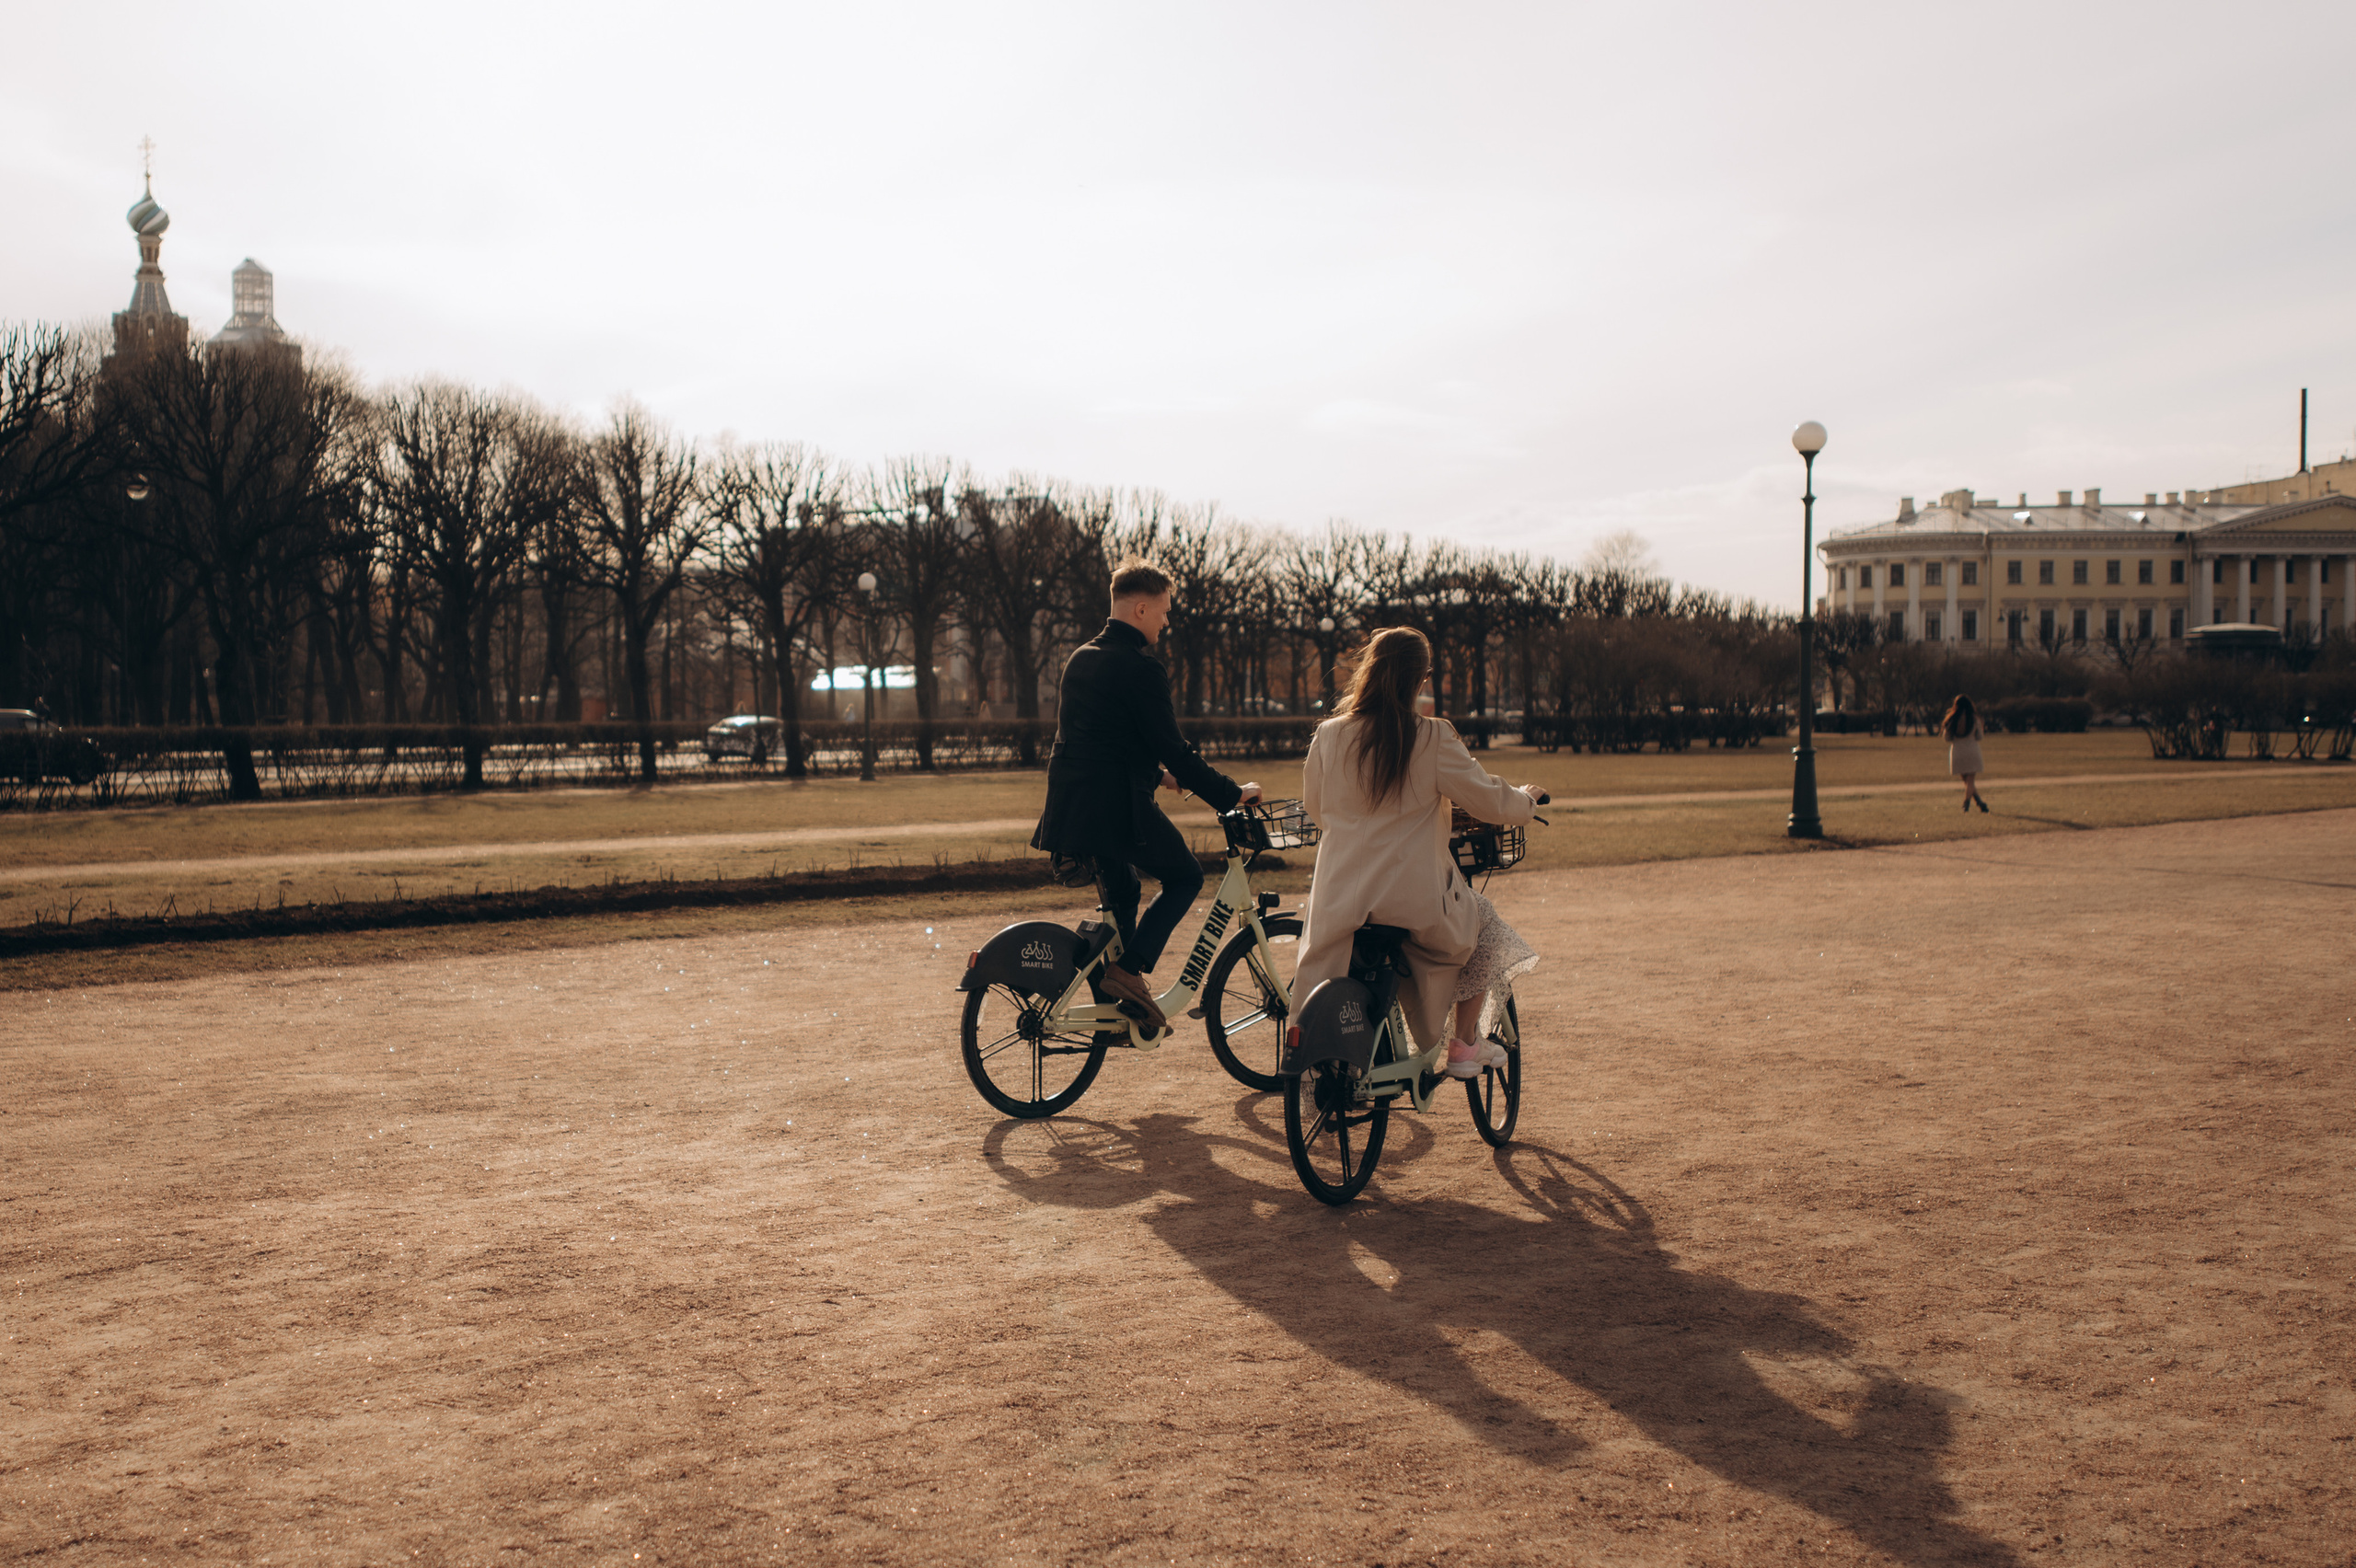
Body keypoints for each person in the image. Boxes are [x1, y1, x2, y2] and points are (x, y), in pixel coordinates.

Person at [1295, 628, 1545, 1078]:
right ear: (1421, 680)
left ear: (1368, 670)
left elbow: (1317, 809)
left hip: (1339, 902)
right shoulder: (1430, 737)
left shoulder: (1329, 735)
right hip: (1416, 905)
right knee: (1485, 923)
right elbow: (1487, 798)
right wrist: (1526, 800)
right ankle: (1466, 1044)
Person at [1031, 559, 1261, 1033]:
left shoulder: (1081, 658)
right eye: (1163, 612)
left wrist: (1159, 778)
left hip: (1072, 809)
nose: (1167, 621)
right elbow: (1174, 748)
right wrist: (1232, 794)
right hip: (1118, 810)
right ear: (1140, 608)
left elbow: (1101, 741)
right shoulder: (1141, 668)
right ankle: (1127, 973)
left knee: (1127, 891)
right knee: (1185, 877)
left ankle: (1115, 995)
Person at [1941, 694, 1988, 813]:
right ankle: (1966, 803)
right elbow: (1980, 737)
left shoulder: (1951, 719)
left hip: (1957, 752)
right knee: (1970, 781)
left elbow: (1946, 738)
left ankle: (1980, 803)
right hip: (1972, 750)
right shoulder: (1974, 719)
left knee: (1967, 781)